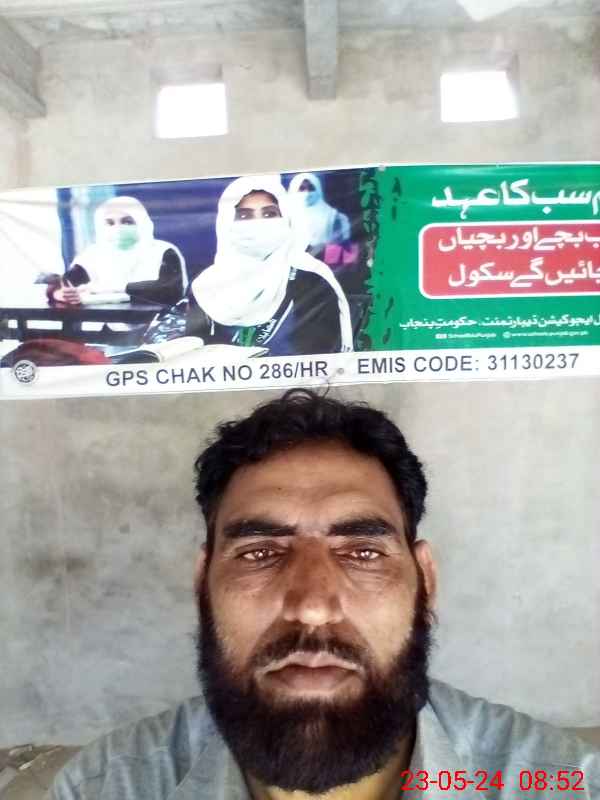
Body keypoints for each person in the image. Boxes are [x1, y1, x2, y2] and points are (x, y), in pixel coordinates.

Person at [51, 389, 600, 800]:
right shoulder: (102, 788)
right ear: (202, 585)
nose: (312, 605)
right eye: (259, 552)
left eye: (362, 552)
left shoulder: (566, 785)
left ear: (425, 582)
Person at [186, 175, 353, 356]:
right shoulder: (206, 287)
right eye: (244, 215)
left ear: (287, 219)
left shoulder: (311, 278)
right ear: (225, 224)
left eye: (269, 214)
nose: (258, 223)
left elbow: (320, 360)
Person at [48, 196, 187, 307]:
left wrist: (107, 289)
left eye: (127, 222)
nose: (118, 228)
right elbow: (65, 282)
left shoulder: (163, 251)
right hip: (105, 326)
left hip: (154, 325)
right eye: (110, 223)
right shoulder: (93, 254)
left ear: (141, 222)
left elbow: (169, 290)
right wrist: (59, 293)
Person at [288, 171, 351, 256]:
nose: (307, 192)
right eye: (302, 188)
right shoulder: (285, 216)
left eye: (311, 188)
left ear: (318, 190)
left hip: (325, 260)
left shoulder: (332, 216)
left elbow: (341, 247)